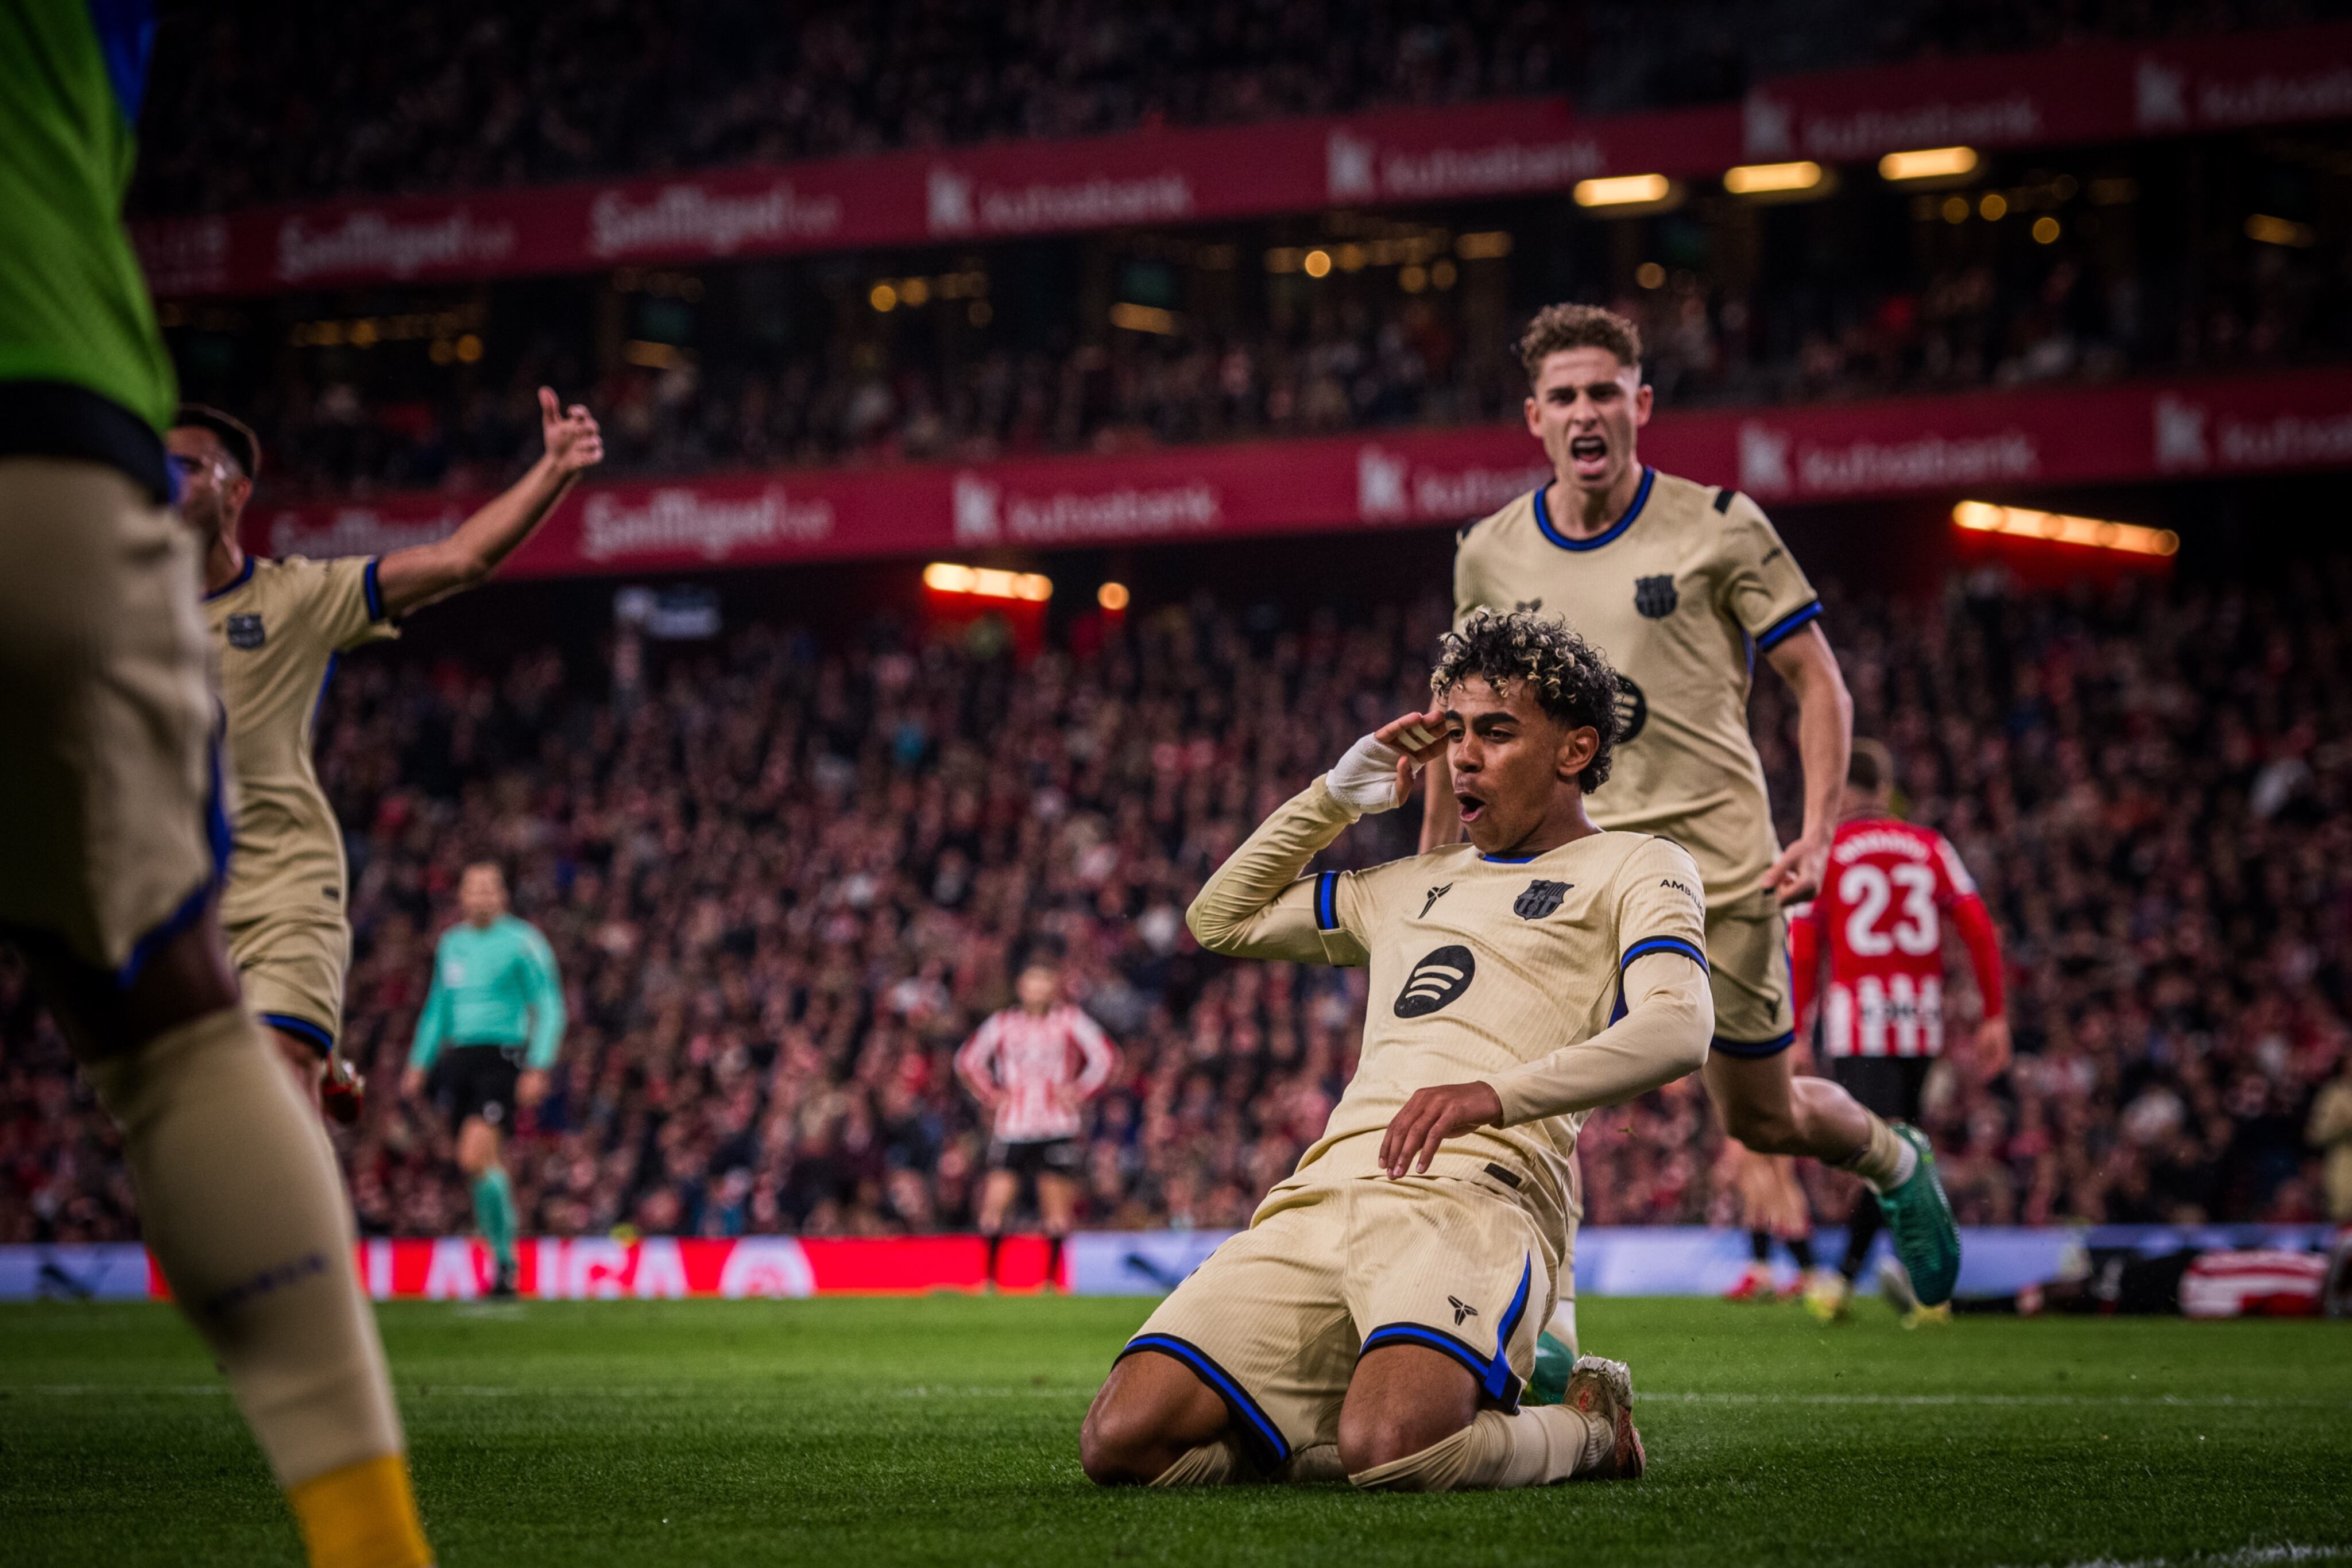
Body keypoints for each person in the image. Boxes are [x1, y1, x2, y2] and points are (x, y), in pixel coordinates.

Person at [0, 3, 432, 1563]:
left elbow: (428, 571)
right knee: (178, 1047)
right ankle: (373, 1540)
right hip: (46, 418)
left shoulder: (290, 594)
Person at [1425, 303, 1959, 1392]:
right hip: (1567, 868)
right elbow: (1459, 726)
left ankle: (1893, 1160)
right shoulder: (1489, 552)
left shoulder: (1720, 526)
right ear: (1535, 418)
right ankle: (1551, 1325)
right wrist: (1438, 866)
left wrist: (1818, 832)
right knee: (1528, 1087)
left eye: (1604, 391)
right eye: (1564, 396)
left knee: (1759, 1114)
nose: (1586, 412)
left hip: (1721, 872)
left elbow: (1819, 679)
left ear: (1640, 405)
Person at [1081, 610, 1711, 1491]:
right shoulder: (1408, 884)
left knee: (1396, 1452)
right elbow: (1219, 918)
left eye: (1496, 731)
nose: (1463, 756)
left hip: (1476, 1200)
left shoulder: (1641, 866)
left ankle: (1589, 1429)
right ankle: (1311, 1441)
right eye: (1454, 732)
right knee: (1122, 1442)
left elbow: (1678, 1028)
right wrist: (1337, 793)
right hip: (1322, 1194)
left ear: (1575, 750)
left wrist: (1490, 1094)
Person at [173, 393, 601, 1120]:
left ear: (236, 491)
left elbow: (460, 558)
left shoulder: (296, 598)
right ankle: (328, 1067)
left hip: (280, 886)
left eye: (188, 467)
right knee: (192, 1123)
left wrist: (554, 469)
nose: (164, 480)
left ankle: (310, 1066)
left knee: (278, 1081)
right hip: (172, 905)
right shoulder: (110, 620)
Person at [1787, 738, 2007, 1325]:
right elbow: (1979, 928)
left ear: (1841, 791)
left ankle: (1860, 1282)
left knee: (1888, 1153)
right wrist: (1994, 1014)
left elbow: (1805, 945)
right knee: (1896, 1147)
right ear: (1884, 792)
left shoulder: (1829, 849)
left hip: (1858, 1022)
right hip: (1919, 1022)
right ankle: (1914, 1287)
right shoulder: (1930, 845)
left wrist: (1797, 1028)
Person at [400, 864, 566, 1297]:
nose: (482, 896)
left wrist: (539, 1063)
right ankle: (503, 1265)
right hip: (461, 1058)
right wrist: (419, 1062)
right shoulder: (451, 944)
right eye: (474, 889)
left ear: (504, 895)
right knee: (478, 1164)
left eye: (490, 888)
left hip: (503, 1056)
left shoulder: (523, 941)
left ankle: (506, 1258)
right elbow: (438, 1006)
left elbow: (549, 1003)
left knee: (475, 1156)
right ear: (461, 895)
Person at [953, 957, 1117, 1290]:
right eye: (1033, 983)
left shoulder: (1069, 1020)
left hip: (1057, 1127)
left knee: (1055, 1209)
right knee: (996, 1203)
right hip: (1013, 1127)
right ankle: (988, 1280)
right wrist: (992, 1095)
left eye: (1044, 983)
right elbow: (967, 1060)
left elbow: (1107, 1056)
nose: (1038, 990)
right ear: (1021, 988)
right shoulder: (1003, 1024)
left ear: (1053, 988)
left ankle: (1049, 1282)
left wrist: (1079, 1091)